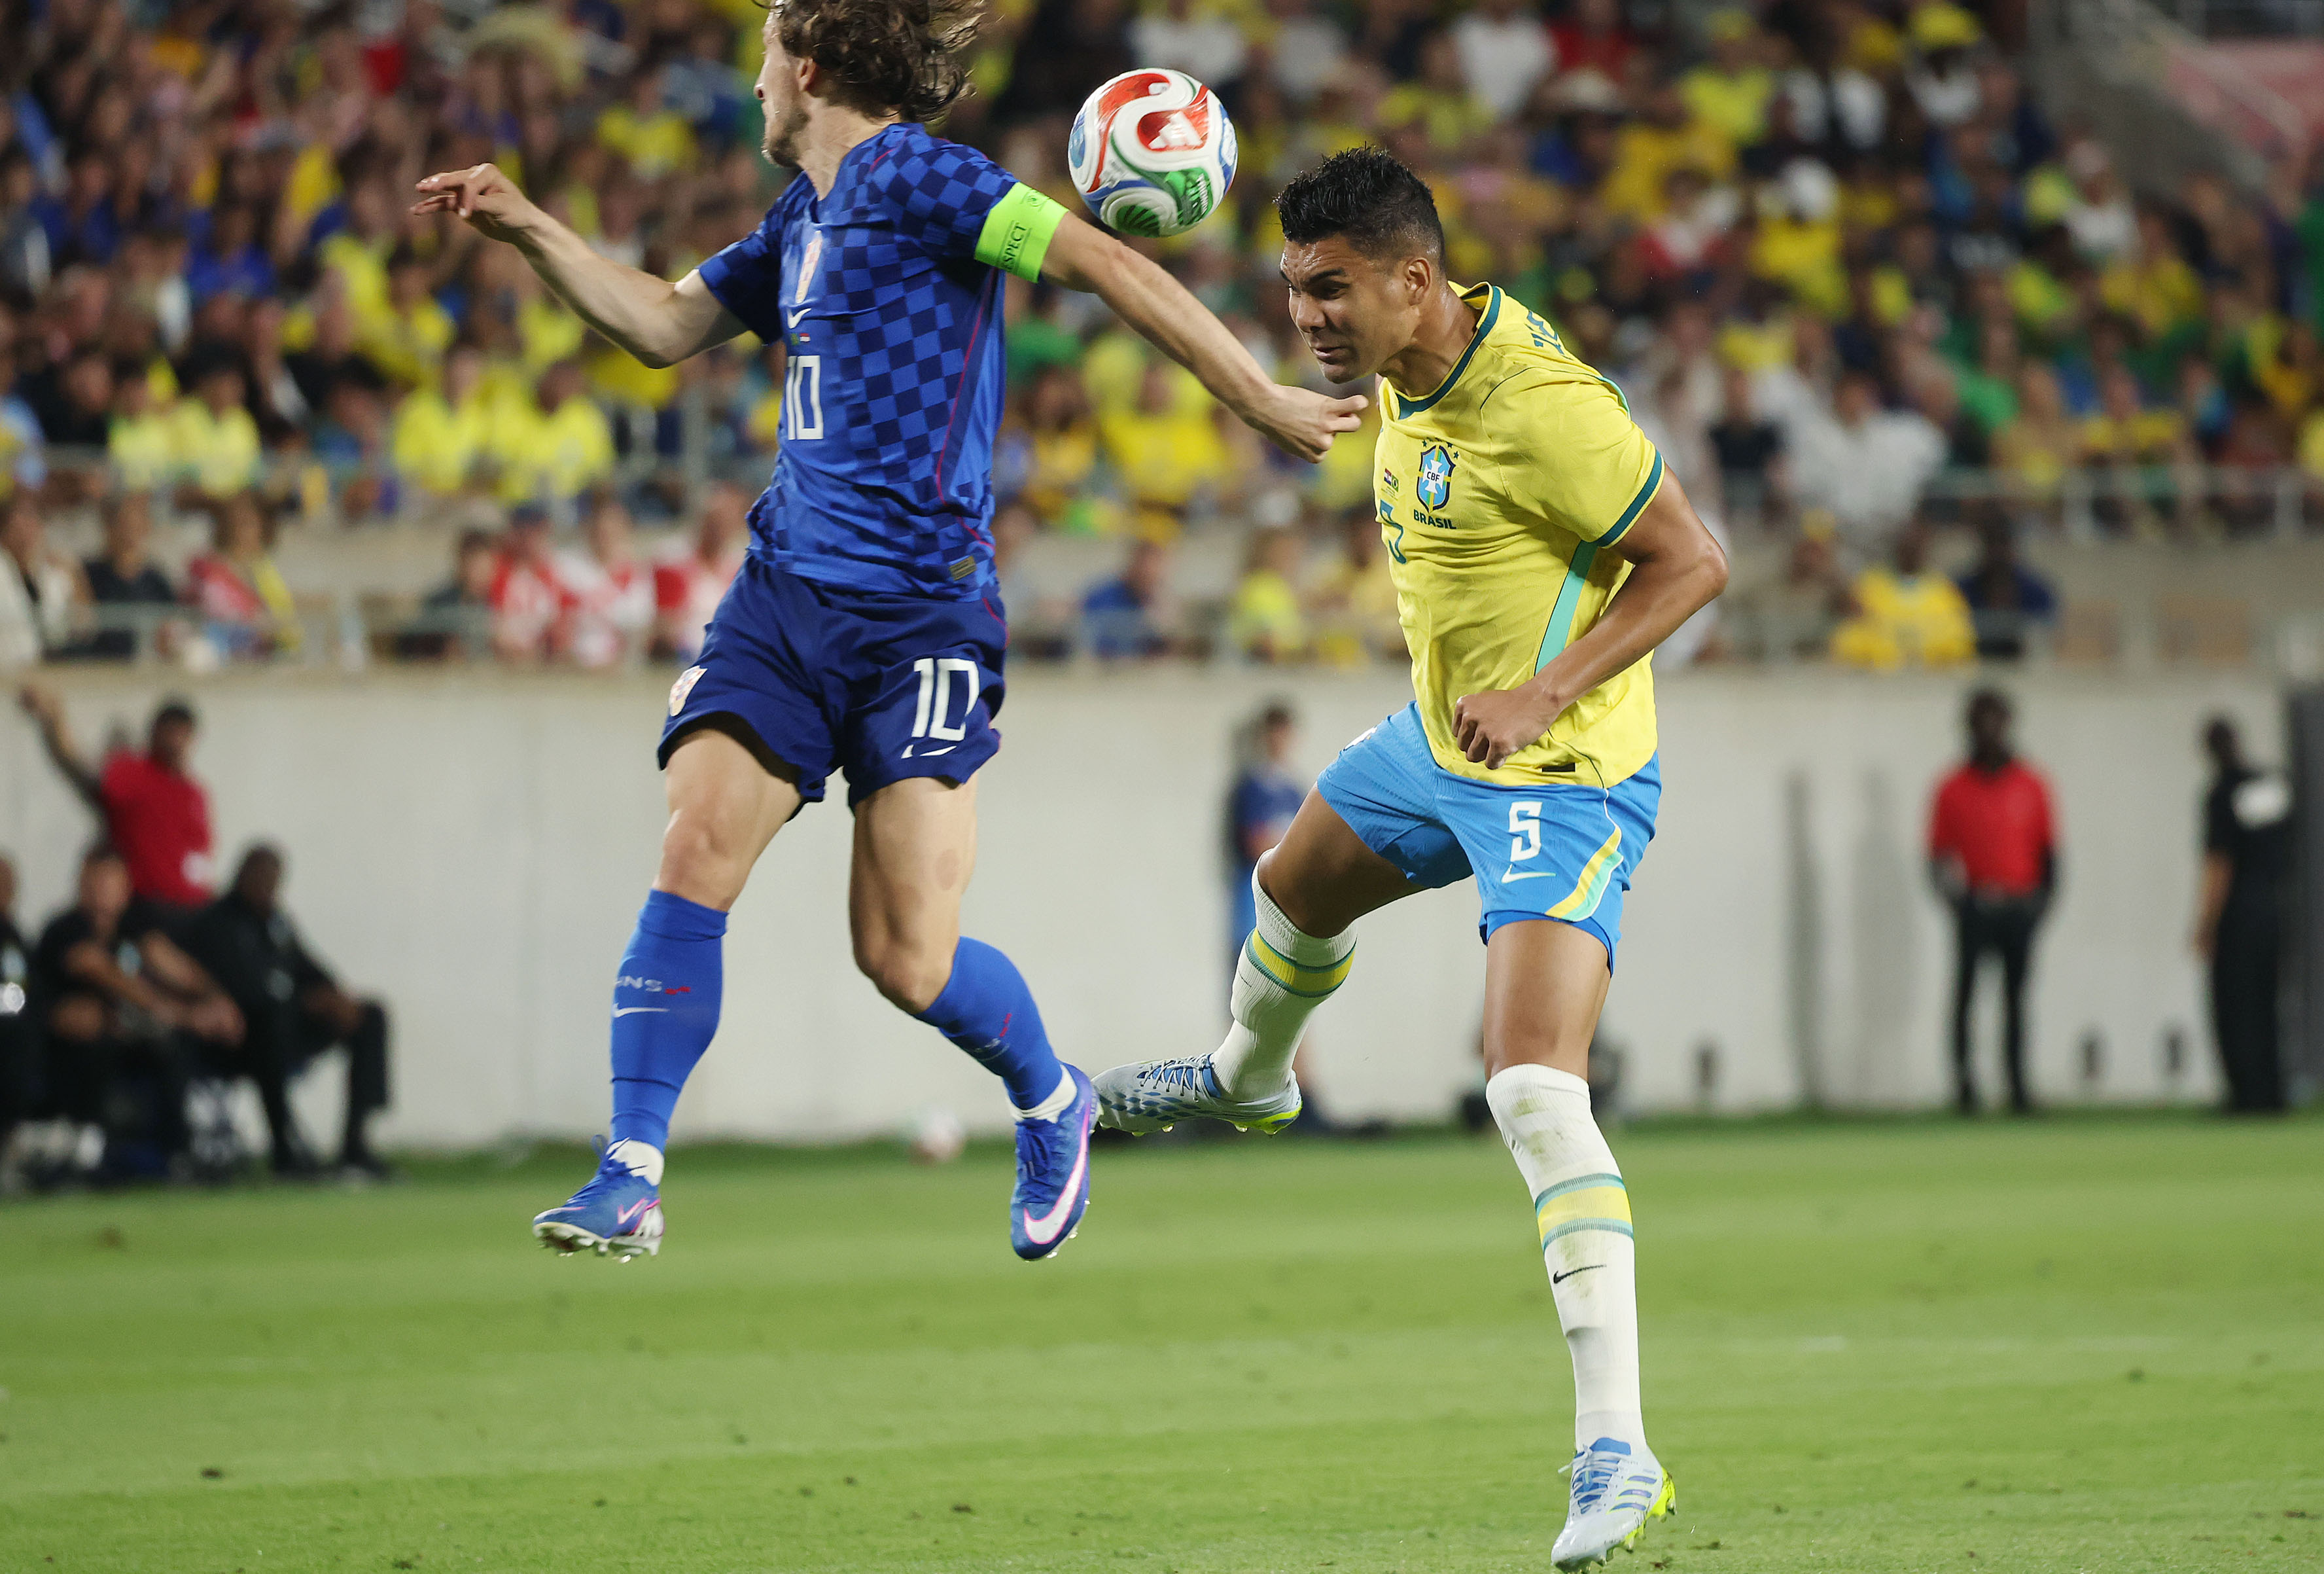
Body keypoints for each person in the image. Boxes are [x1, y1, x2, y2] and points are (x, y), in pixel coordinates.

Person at [410, 0, 1363, 1262]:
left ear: (804, 68)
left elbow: (1107, 264)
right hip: (787, 594)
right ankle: (630, 1170)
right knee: (695, 844)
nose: (752, 86)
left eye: (760, 59)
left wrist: (1258, 398)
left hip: (922, 618)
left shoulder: (925, 178)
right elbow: (658, 326)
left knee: (904, 955)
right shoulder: (797, 221)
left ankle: (1052, 1097)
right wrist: (526, 225)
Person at [1093, 149, 1725, 1568]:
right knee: (1288, 886)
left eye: (1332, 288)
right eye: (1295, 288)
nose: (1309, 314)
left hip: (1561, 772)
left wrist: (1548, 692)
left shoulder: (1545, 409)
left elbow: (1694, 560)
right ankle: (1248, 1079)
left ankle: (1619, 1450)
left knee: (1530, 1084)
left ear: (1414, 279)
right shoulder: (1406, 365)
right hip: (1445, 742)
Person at [30, 843, 243, 1177]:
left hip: (129, 1037)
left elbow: (170, 963)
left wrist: (217, 999)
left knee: (173, 1049)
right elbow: (104, 972)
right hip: (70, 1046)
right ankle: (82, 1147)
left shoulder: (134, 928)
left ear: (125, 887)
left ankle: (180, 1151)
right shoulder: (66, 929)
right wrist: (183, 1015)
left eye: (110, 883)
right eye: (95, 883)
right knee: (92, 1029)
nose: (102, 893)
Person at [181, 846, 394, 1175]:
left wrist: (333, 997)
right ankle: (284, 1148)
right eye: (260, 876)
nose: (266, 886)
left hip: (288, 1029)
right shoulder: (218, 922)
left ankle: (356, 1143)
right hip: (239, 1040)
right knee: (269, 1022)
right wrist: (302, 1001)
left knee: (370, 1016)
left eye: (273, 879)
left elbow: (309, 968)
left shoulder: (277, 922)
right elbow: (246, 991)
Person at [1928, 689, 2057, 1115]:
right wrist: (1958, 904)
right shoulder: (1952, 787)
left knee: (2016, 1001)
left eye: (1996, 720)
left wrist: (2040, 905)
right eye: (1980, 721)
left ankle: (2018, 1087)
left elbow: (2050, 853)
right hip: (1977, 907)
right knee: (1966, 998)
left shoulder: (2032, 783)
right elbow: (1937, 856)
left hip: (2020, 908)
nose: (1989, 730)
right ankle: (1965, 1088)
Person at [20, 686, 217, 924]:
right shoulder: (136, 775)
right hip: (147, 910)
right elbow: (78, 766)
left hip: (193, 911)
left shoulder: (195, 793)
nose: (176, 740)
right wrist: (54, 720)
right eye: (171, 730)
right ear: (154, 732)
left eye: (183, 732)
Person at [2192, 717, 2290, 1113]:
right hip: (2274, 907)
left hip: (2238, 912)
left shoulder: (2220, 793)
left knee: (2234, 1005)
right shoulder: (2269, 787)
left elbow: (2221, 862)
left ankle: (2244, 1094)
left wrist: (2205, 924)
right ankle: (2272, 1093)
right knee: (2267, 1003)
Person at [1225, 700, 1307, 973]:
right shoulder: (1249, 789)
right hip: (1254, 908)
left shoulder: (1295, 791)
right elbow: (1256, 844)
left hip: (1288, 912)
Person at [80, 492, 179, 660]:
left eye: (135, 526)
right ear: (109, 527)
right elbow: (84, 626)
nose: (129, 533)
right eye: (123, 525)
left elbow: (171, 630)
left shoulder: (157, 581)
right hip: (99, 666)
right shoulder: (88, 575)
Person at [1080, 539, 1184, 661]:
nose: (1149, 572)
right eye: (1145, 565)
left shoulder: (1155, 601)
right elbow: (1090, 644)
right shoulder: (1103, 597)